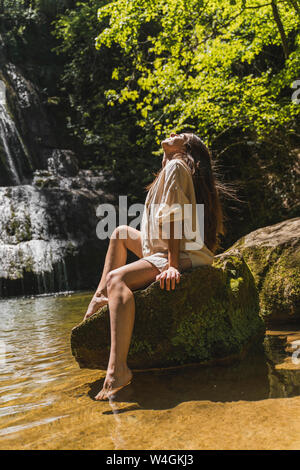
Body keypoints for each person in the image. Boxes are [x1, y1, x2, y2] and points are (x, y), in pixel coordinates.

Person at [83, 132, 228, 401]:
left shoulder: (177, 164)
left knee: (118, 279)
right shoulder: (170, 169)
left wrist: (173, 265)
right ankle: (100, 298)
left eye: (181, 135)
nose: (172, 133)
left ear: (187, 148)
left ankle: (118, 370)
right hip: (161, 247)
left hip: (181, 251)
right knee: (120, 233)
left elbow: (174, 216)